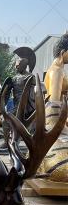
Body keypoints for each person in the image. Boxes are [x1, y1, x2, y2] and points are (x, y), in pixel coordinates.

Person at [39, 32, 68, 182]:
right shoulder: (57, 71)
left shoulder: (53, 68)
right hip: (54, 118)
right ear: (63, 53)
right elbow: (55, 102)